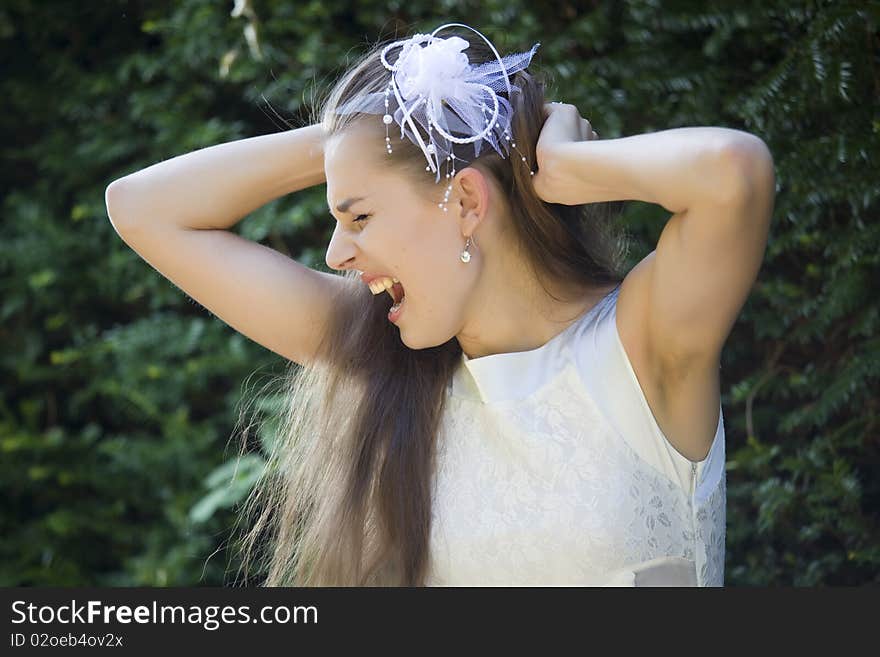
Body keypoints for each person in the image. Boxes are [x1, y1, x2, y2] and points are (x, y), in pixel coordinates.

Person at [105, 22, 775, 586]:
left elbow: (732, 173)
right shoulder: (391, 361)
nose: (337, 254)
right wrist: (360, 137)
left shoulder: (643, 344)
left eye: (359, 215)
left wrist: (561, 165)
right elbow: (141, 208)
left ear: (466, 203)